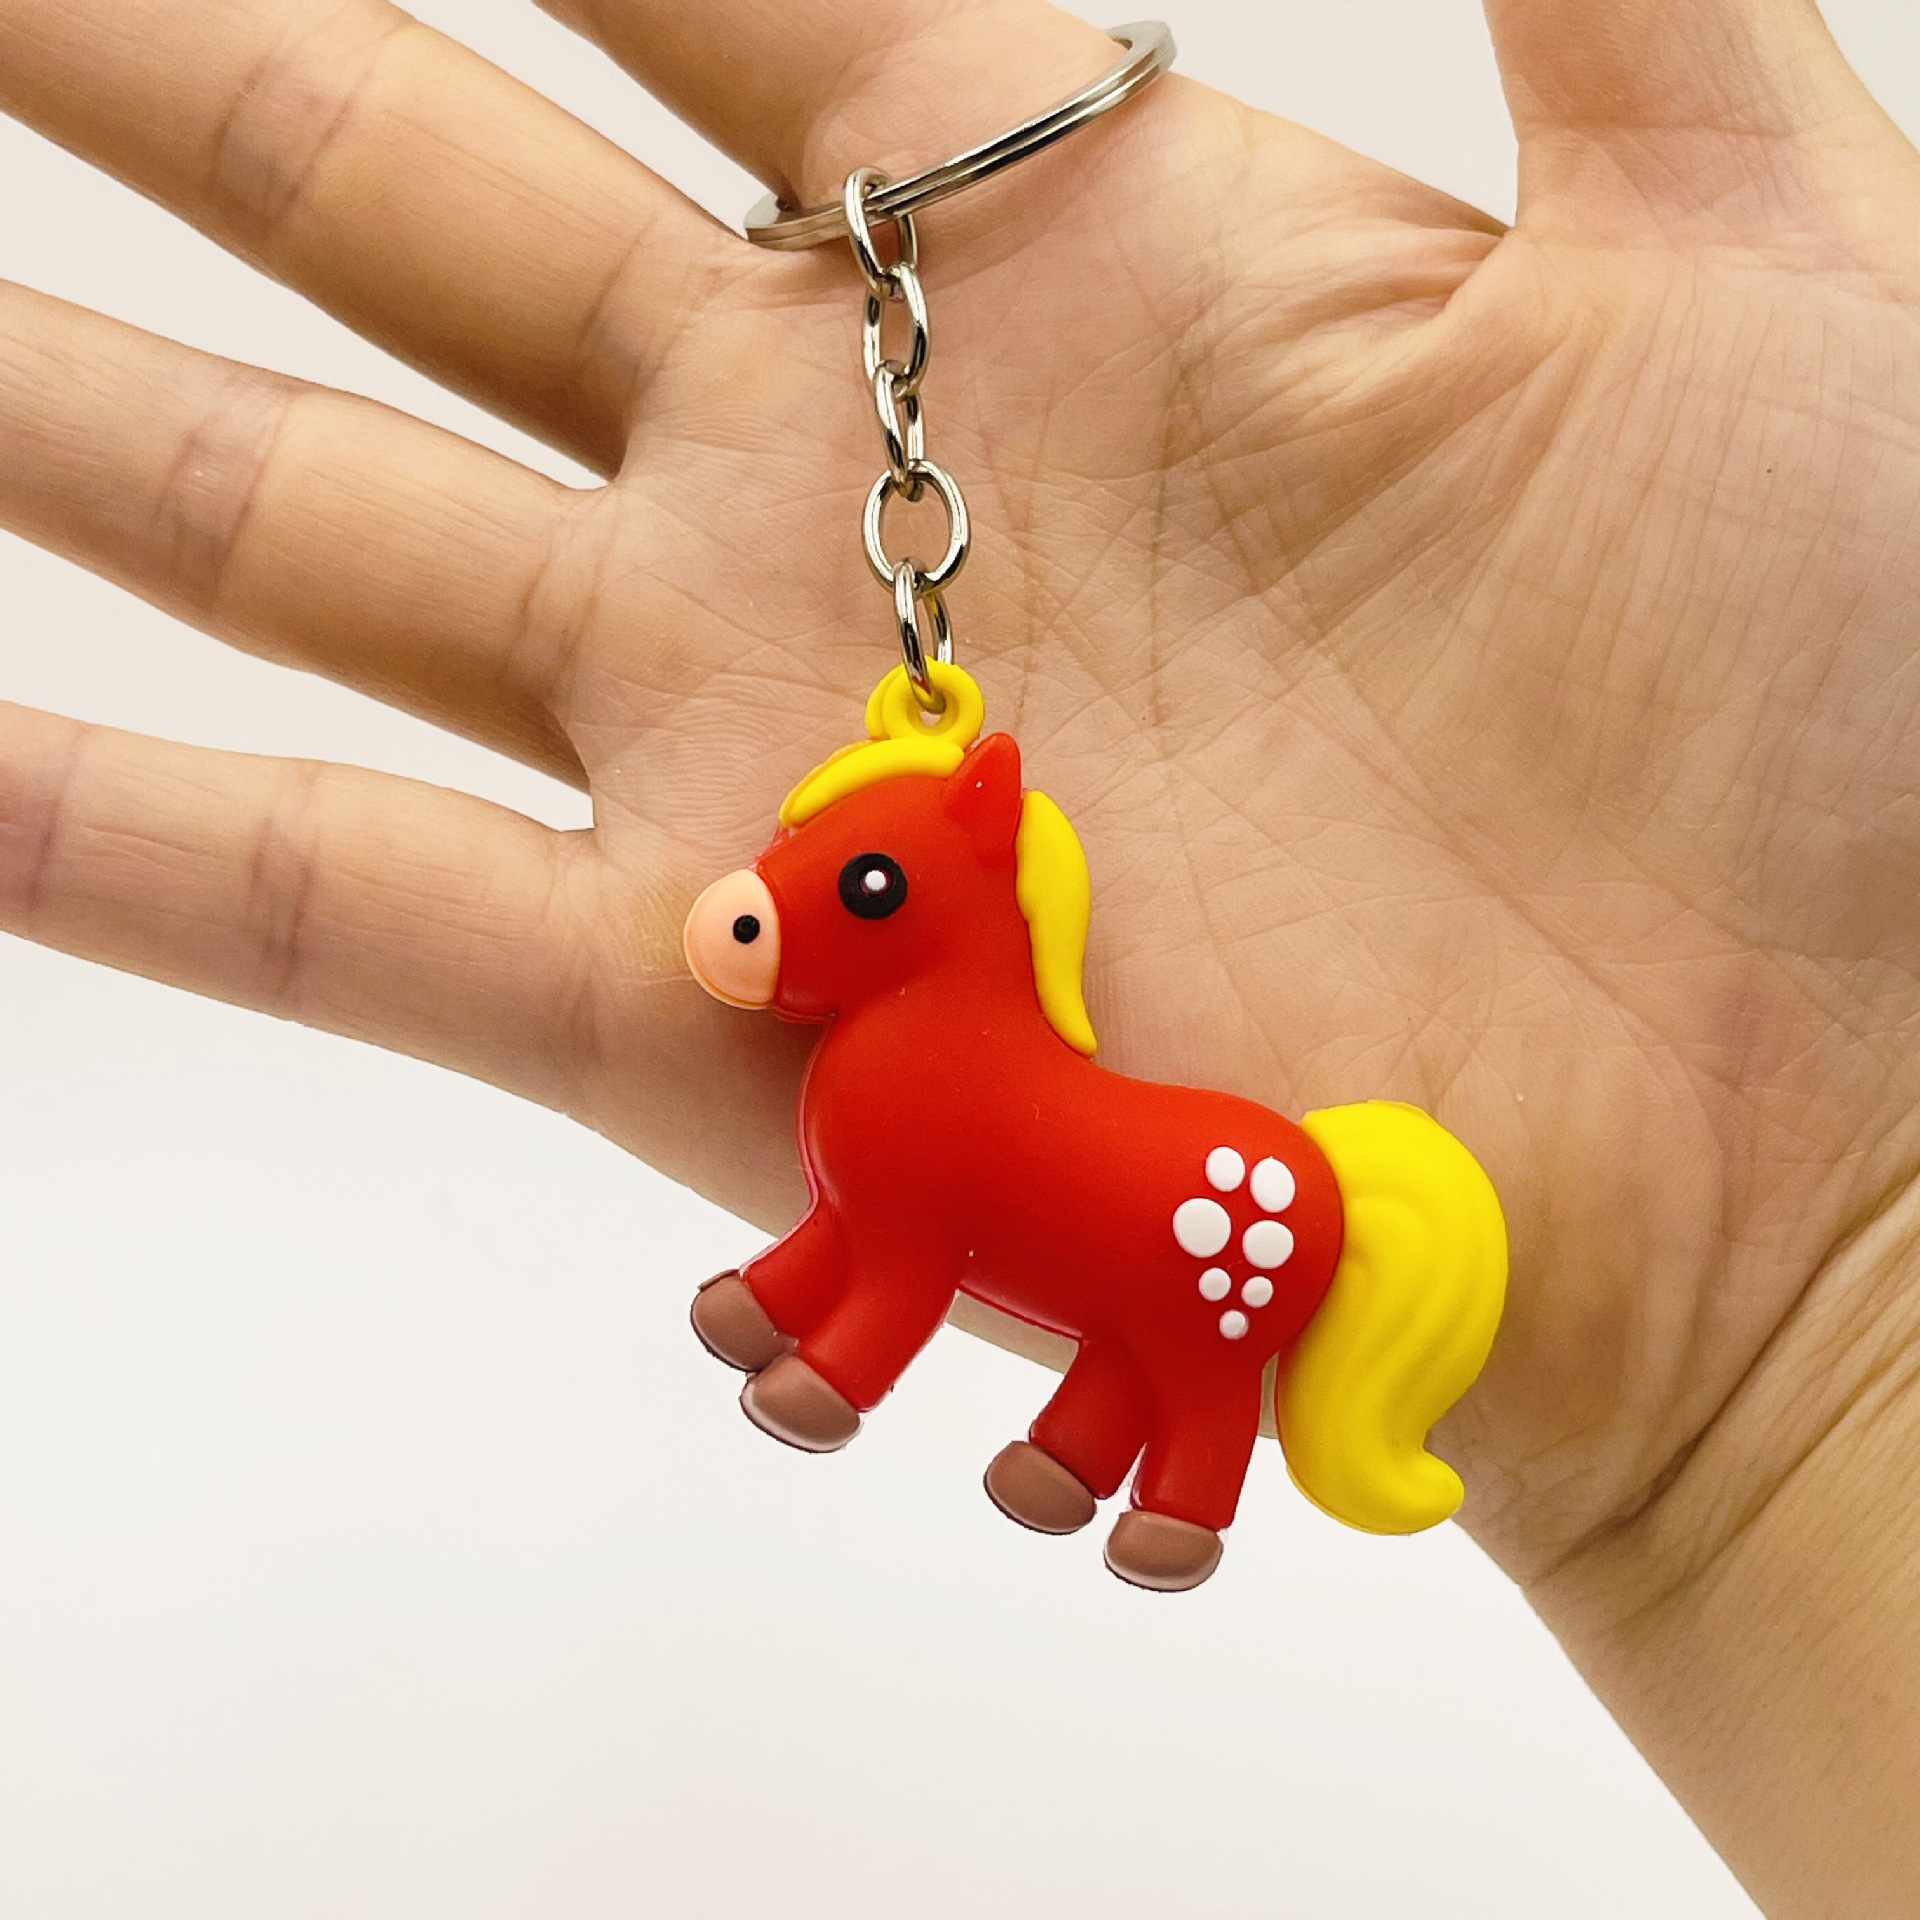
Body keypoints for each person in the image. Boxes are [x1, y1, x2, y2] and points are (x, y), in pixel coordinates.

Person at [1, 0, 1916, 1909]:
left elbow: (908, 1242)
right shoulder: (889, 1071)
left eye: (850, 889)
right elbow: (884, 1203)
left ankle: (1171, 1478)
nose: (773, 904)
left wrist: (829, 1357)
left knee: (1184, 1352)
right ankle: (1088, 1445)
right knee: (1129, 1323)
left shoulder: (930, 1079)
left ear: (964, 878)